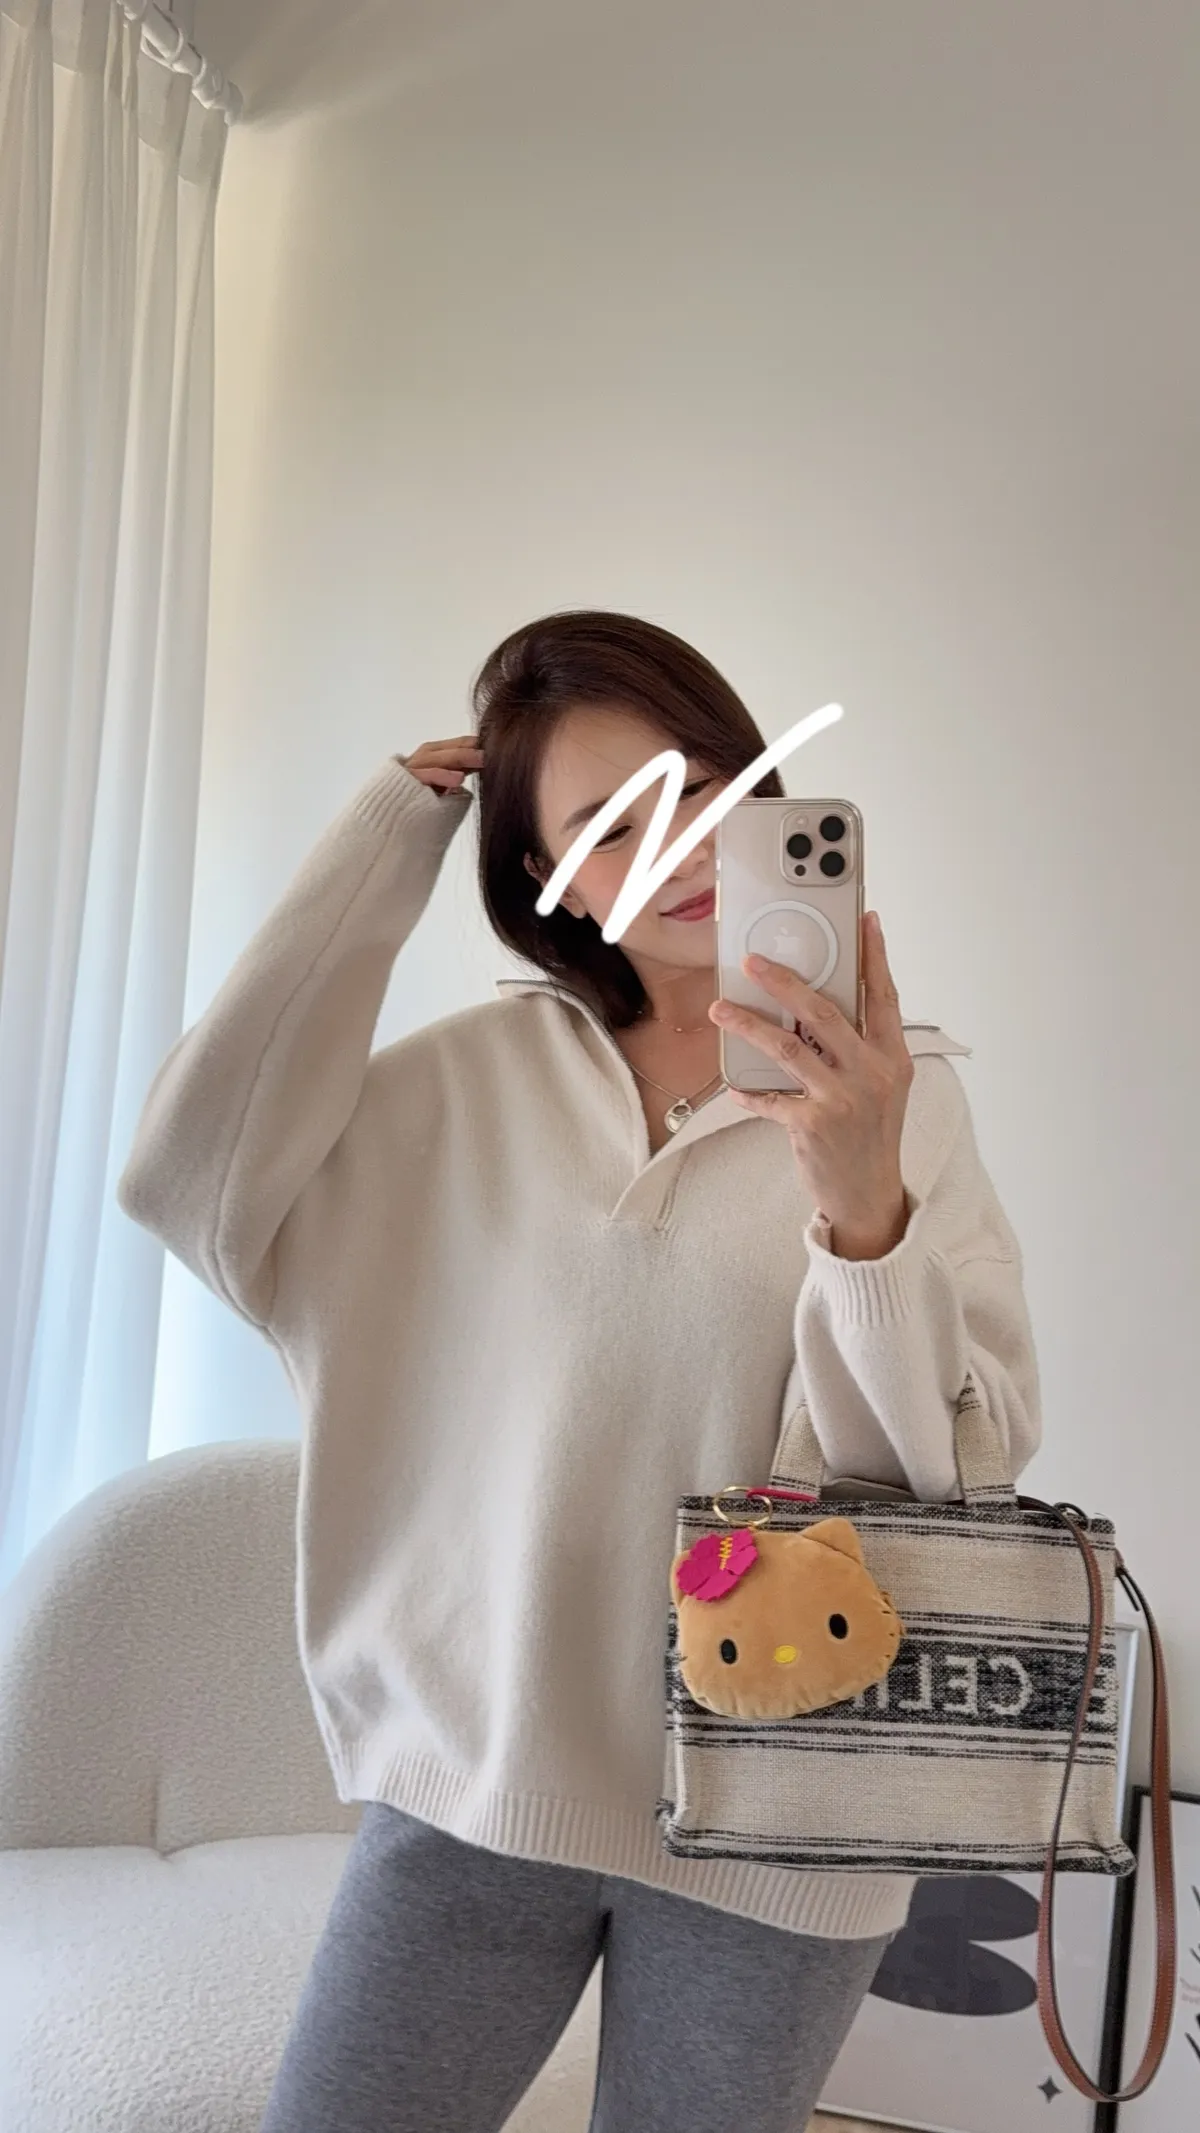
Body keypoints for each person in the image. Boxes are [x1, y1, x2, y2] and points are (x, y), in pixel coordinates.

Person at [117, 610, 1041, 2133]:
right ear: (542, 878)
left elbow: (952, 1471)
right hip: (478, 1784)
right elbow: (190, 1183)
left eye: (696, 785)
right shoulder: (453, 1091)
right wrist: (379, 853)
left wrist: (863, 1204)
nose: (673, 846)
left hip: (787, 1829)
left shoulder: (904, 1098)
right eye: (605, 829)